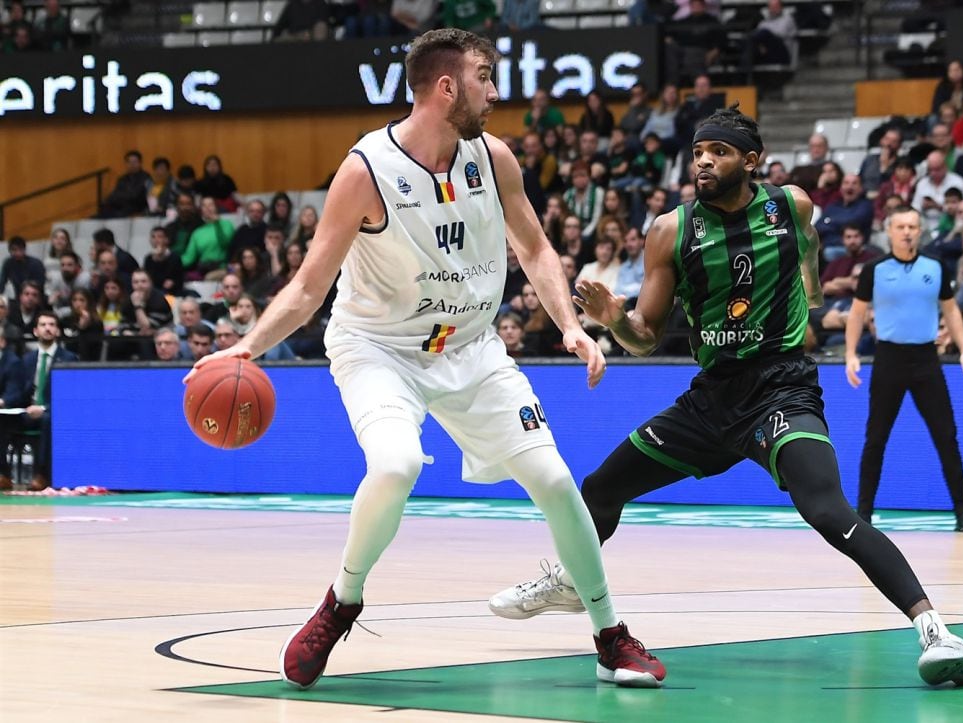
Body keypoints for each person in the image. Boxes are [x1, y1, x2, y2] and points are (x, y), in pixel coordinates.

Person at [185, 29, 664, 691]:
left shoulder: (493, 159)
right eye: (484, 77)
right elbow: (306, 286)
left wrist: (570, 326)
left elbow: (535, 249)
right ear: (446, 88)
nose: (494, 91)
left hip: (471, 347)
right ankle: (342, 601)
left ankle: (610, 634)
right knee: (396, 463)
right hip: (380, 349)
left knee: (555, 479)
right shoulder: (365, 171)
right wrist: (247, 346)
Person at [488, 107, 963, 688]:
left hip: (782, 389)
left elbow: (809, 258)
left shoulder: (791, 205)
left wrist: (812, 290)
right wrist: (613, 319)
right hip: (712, 399)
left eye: (718, 152)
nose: (703, 160)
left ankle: (936, 631)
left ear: (750, 162)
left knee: (827, 510)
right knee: (599, 488)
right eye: (698, 151)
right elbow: (644, 339)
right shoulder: (671, 230)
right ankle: (573, 579)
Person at [844, 206, 963, 534]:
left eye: (913, 226)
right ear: (889, 231)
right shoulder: (874, 270)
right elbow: (856, 313)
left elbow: (951, 311)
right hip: (888, 358)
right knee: (875, 437)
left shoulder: (935, 266)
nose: (907, 232)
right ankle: (863, 513)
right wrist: (850, 353)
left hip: (926, 360)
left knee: (946, 436)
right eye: (901, 226)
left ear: (920, 231)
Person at [0, 311, 78, 491]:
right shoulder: (27, 360)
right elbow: (18, 392)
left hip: (52, 411)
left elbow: (68, 397)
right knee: (2, 419)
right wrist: (7, 403)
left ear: (58, 331)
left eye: (51, 325)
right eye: (43, 325)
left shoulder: (68, 358)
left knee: (47, 419)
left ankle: (41, 475)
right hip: (27, 411)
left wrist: (44, 408)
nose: (47, 329)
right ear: (35, 331)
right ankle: (4, 474)